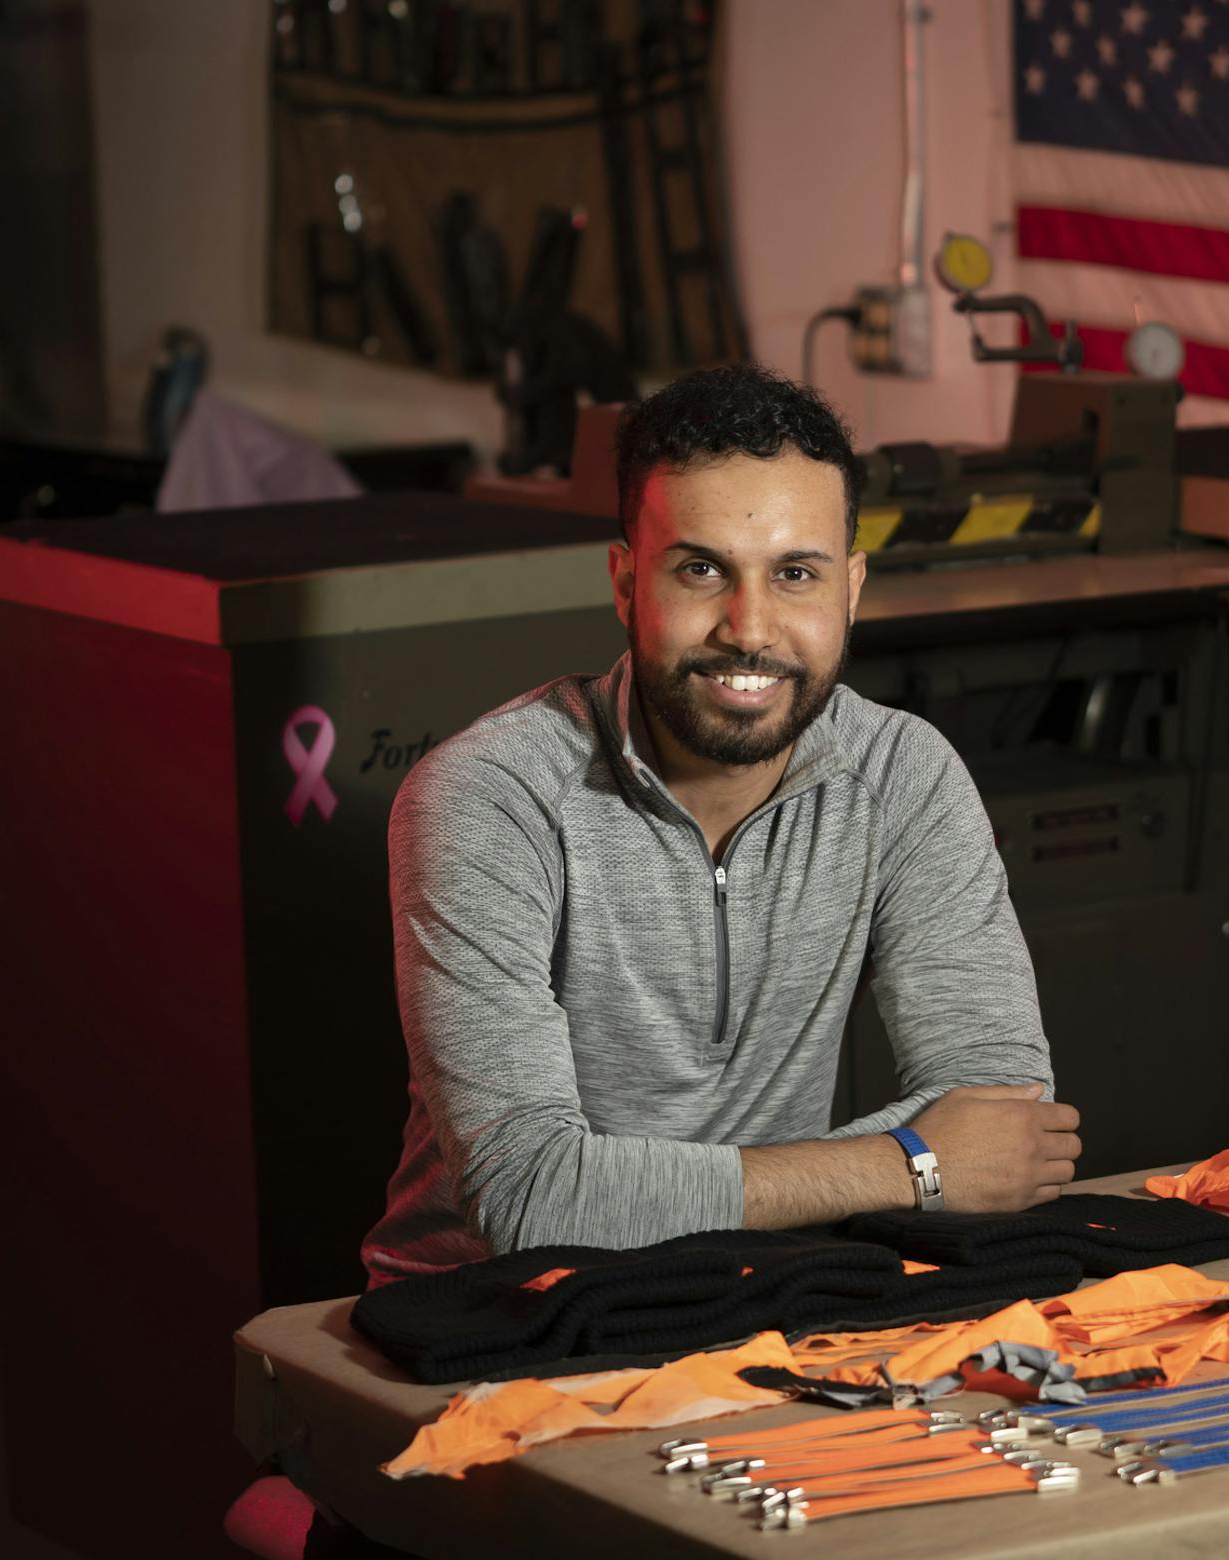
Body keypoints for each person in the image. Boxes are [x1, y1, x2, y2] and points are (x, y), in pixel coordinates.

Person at [361, 363, 1079, 1283]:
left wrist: (665, 1190)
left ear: (852, 589)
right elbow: (534, 1199)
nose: (750, 627)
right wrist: (914, 1164)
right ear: (627, 582)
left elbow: (1007, 1126)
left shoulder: (903, 775)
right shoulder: (489, 796)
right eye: (702, 569)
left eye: (796, 574)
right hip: (491, 1319)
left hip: (759, 1299)